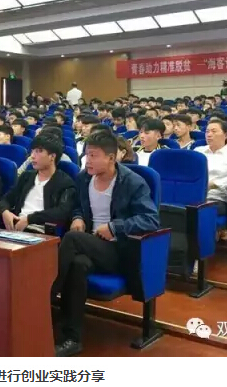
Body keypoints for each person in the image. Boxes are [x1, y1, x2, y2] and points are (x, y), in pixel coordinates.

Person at [52, 130, 160, 357]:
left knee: (71, 239)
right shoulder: (84, 178)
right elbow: (78, 205)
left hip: (118, 251)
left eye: (93, 155)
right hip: (89, 245)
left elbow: (151, 219)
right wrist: (77, 217)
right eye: (86, 155)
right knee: (78, 265)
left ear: (111, 158)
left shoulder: (132, 182)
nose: (87, 160)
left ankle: (47, 298)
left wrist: (114, 227)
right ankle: (73, 338)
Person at [0, 134, 76, 233]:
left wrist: (29, 219)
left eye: (39, 151)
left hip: (41, 232)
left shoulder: (65, 182)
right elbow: (6, 199)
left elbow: (62, 212)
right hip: (16, 228)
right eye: (32, 151)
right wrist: (5, 211)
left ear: (52, 156)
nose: (32, 156)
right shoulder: (26, 176)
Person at [194, 120, 227, 215]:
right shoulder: (198, 151)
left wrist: (214, 184)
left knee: (196, 212)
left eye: (214, 131)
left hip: (216, 198)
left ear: (226, 135)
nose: (209, 135)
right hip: (194, 195)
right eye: (207, 131)